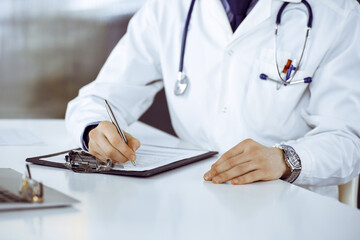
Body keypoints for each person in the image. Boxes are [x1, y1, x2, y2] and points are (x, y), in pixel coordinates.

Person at [65, 0, 360, 198]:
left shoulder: (338, 13)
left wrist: (285, 159)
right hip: (193, 200)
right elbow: (101, 95)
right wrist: (94, 129)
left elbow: (348, 138)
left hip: (290, 207)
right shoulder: (169, 8)